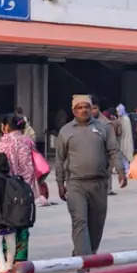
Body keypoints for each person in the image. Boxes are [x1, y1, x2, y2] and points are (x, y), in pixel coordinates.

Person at [56, 95, 126, 256]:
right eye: (79, 107)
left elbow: (113, 150)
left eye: (87, 107)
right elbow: (60, 159)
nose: (84, 110)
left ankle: (86, 253)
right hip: (76, 184)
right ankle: (84, 260)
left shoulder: (104, 127)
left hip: (99, 184)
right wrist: (60, 183)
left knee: (96, 224)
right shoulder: (65, 131)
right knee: (80, 221)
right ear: (74, 111)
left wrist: (121, 171)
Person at [0, 114, 38, 273]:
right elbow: (30, 168)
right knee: (21, 223)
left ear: (6, 127)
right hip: (23, 188)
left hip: (6, 189)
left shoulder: (5, 142)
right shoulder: (28, 141)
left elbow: (0, 165)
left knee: (1, 223)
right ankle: (19, 259)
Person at [115, 104, 135, 173]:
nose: (117, 112)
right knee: (122, 154)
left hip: (125, 139)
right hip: (121, 139)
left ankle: (126, 168)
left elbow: (124, 131)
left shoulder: (125, 119)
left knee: (125, 153)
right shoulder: (121, 118)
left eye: (118, 111)